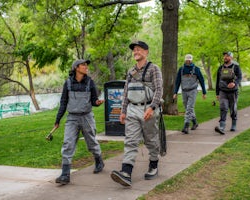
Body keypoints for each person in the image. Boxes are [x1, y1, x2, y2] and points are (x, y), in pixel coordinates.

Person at [110, 41, 163, 187]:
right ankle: (126, 172)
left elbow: (159, 90)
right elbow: (126, 92)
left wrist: (152, 108)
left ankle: (153, 165)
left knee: (151, 140)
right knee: (130, 141)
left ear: (146, 52)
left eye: (139, 50)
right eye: (134, 50)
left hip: (148, 110)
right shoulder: (131, 71)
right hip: (132, 110)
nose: (136, 52)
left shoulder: (154, 69)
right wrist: (123, 111)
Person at [54, 59, 105, 184]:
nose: (86, 67)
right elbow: (63, 102)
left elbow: (93, 100)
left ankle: (99, 161)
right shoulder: (68, 83)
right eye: (83, 65)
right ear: (76, 67)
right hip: (72, 118)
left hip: (87, 117)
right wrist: (58, 119)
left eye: (86, 65)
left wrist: (97, 103)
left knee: (91, 142)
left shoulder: (90, 82)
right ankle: (65, 174)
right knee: (68, 143)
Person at [173, 54, 206, 134]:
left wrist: (204, 92)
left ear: (192, 60)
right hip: (184, 91)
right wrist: (175, 92)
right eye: (187, 59)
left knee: (189, 108)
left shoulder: (196, 69)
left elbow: (201, 80)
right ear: (185, 60)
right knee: (187, 107)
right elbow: (177, 81)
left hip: (193, 90)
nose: (188, 60)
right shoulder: (181, 69)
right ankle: (195, 122)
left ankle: (186, 126)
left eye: (190, 59)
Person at [215, 52, 242, 135]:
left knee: (233, 108)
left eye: (227, 56)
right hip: (223, 91)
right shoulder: (220, 68)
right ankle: (221, 127)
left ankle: (233, 124)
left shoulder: (236, 67)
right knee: (223, 108)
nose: (225, 57)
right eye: (224, 56)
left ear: (231, 57)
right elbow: (217, 81)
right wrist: (217, 93)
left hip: (233, 92)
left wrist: (235, 83)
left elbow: (240, 77)